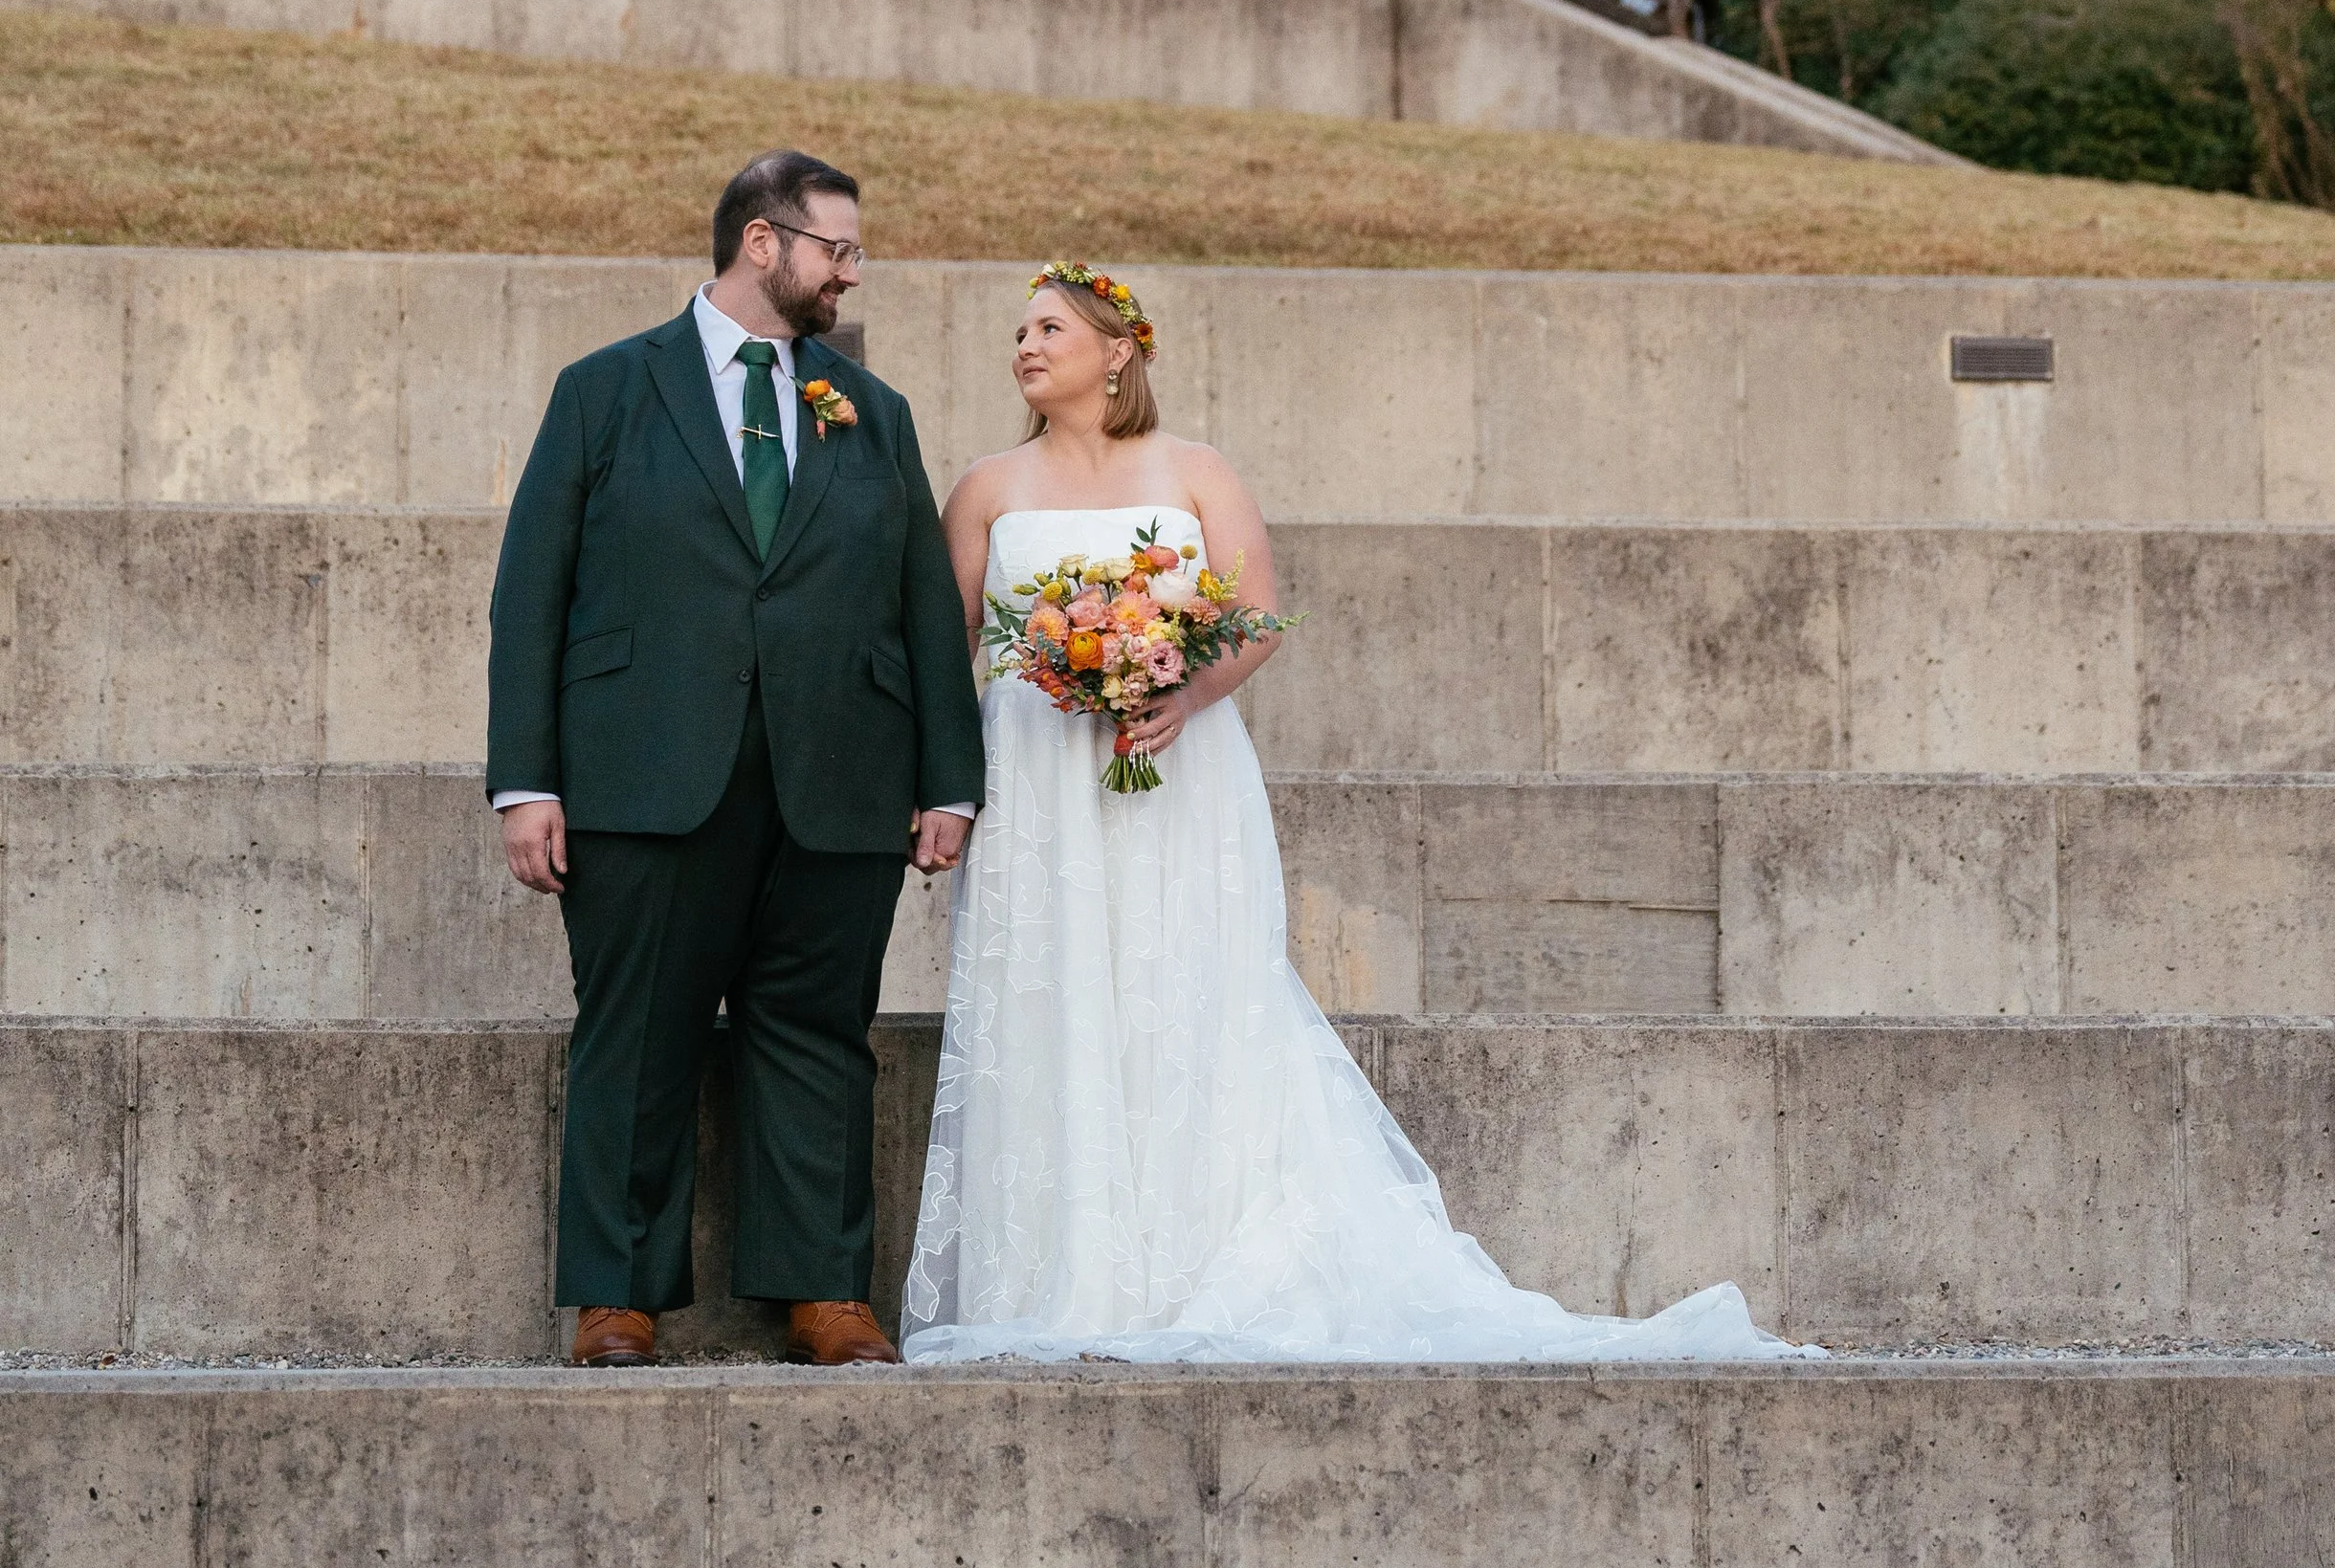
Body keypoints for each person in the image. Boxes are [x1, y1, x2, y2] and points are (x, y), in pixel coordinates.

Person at [901, 263, 1787, 1365]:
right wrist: (951, 786)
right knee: (1060, 994)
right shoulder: (987, 485)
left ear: (1117, 348)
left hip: (1178, 767)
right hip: (1037, 774)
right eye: (1019, 331)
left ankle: (1193, 1257)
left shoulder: (1194, 470)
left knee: (1187, 990)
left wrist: (1179, 690)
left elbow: (1256, 615)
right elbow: (947, 652)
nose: (1025, 346)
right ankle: (1065, 1270)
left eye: (1049, 327)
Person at [487, 151, 985, 1371]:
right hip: (644, 771)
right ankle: (617, 1295)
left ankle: (824, 1290)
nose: (850, 270)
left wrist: (948, 774)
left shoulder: (872, 406)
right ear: (762, 243)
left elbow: (922, 598)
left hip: (840, 776)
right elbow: (530, 591)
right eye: (837, 247)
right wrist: (525, 779)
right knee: (637, 1027)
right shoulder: (605, 389)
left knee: (819, 1029)